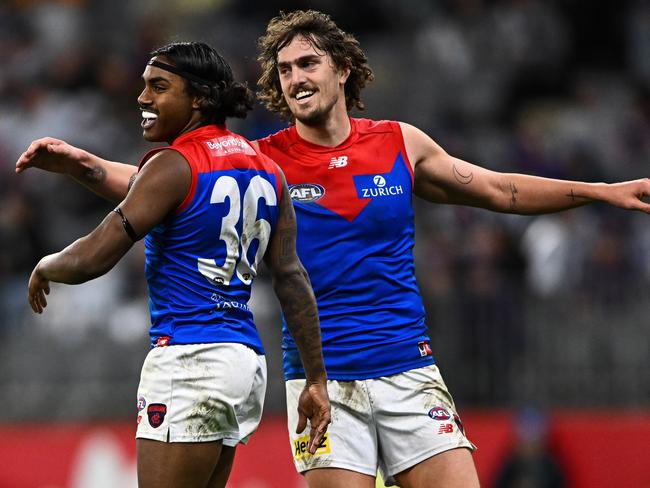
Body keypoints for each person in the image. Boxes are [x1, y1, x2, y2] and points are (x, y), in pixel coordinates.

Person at [16, 10, 650, 488]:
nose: (295, 79)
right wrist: (82, 165)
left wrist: (599, 190)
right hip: (322, 380)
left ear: (343, 69)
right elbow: (164, 191)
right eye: (284, 70)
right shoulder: (264, 158)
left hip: (408, 367)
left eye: (308, 64)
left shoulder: (398, 143)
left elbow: (497, 189)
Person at [21, 41, 330, 488]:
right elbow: (291, 277)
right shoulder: (267, 170)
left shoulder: (173, 164)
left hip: (189, 360)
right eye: (145, 86)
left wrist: (47, 264)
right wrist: (315, 378)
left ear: (199, 98)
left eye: (159, 87)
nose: (143, 98)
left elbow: (94, 256)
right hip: (243, 362)